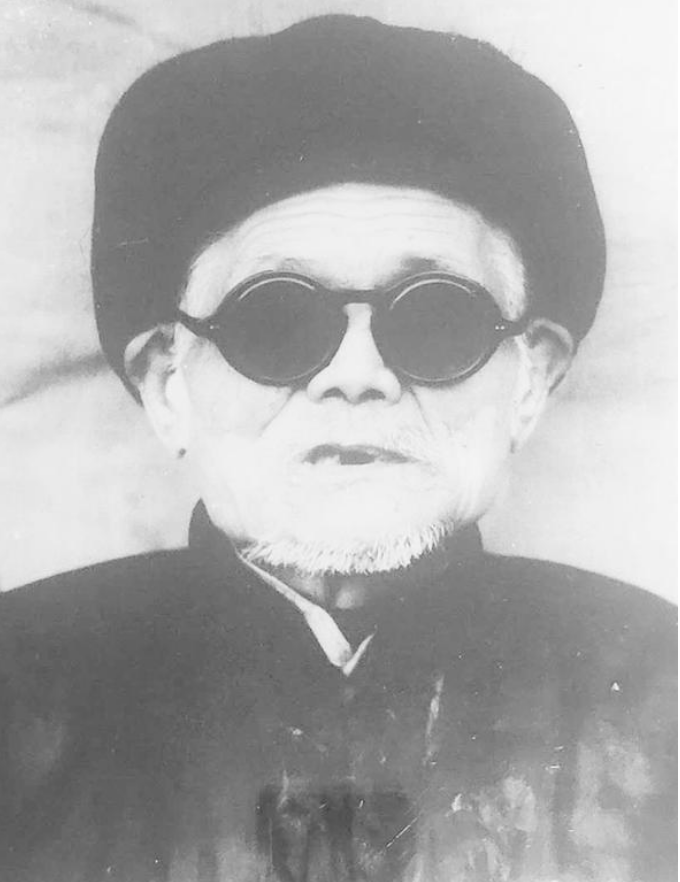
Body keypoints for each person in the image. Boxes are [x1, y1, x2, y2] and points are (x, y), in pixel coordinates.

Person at [0, 14, 675, 882]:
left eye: (438, 320)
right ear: (168, 385)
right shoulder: (17, 697)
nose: (358, 376)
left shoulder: (664, 693)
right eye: (276, 322)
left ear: (531, 381)